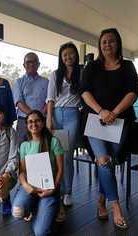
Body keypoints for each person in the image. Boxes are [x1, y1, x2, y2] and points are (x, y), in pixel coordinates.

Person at [80, 28, 138, 230]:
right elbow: (84, 91)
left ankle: (100, 201)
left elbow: (133, 92)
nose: (107, 45)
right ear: (100, 45)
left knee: (108, 163)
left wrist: (114, 112)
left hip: (120, 123)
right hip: (95, 122)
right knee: (104, 161)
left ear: (118, 44)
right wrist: (101, 111)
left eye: (111, 41)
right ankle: (116, 208)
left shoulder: (128, 66)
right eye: (104, 42)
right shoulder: (92, 66)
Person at [12, 110, 63, 236]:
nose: (33, 124)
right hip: (30, 186)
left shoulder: (54, 142)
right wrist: (25, 185)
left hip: (49, 188)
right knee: (17, 212)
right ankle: (34, 207)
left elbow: (61, 169)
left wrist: (53, 188)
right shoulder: (24, 145)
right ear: (26, 125)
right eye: (30, 121)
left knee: (41, 232)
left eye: (37, 120)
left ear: (43, 122)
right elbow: (22, 171)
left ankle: (48, 208)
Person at [46, 42, 82, 207]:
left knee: (67, 154)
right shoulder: (55, 74)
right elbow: (50, 98)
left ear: (76, 55)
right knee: (56, 153)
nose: (68, 57)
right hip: (56, 115)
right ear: (61, 58)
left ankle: (67, 192)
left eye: (71, 54)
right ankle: (56, 189)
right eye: (65, 55)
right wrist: (48, 118)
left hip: (73, 114)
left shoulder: (81, 73)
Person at [13, 52, 48, 145]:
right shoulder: (19, 82)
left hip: (42, 121)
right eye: (28, 62)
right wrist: (33, 116)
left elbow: (49, 101)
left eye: (34, 62)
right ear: (24, 65)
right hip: (24, 122)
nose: (31, 64)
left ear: (38, 64)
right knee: (22, 150)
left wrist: (39, 116)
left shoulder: (46, 82)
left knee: (41, 150)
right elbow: (19, 102)